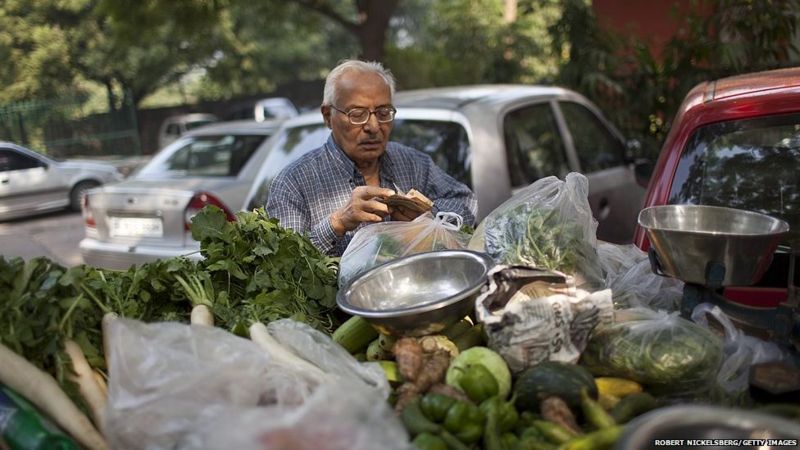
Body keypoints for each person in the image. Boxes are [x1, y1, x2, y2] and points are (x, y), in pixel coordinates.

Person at [266, 59, 477, 256]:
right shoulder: (293, 183)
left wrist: (429, 216)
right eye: (357, 114)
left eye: (383, 113)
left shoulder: (413, 163)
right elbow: (285, 265)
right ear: (327, 116)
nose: (373, 127)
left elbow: (468, 204)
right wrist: (336, 224)